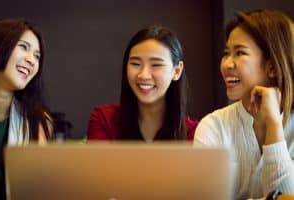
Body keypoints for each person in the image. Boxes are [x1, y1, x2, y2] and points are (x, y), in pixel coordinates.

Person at [194, 9, 294, 199]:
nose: (226, 64)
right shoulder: (214, 126)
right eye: (226, 53)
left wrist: (273, 123)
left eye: (240, 53)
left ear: (272, 66)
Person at [87, 26, 198, 141]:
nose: (144, 75)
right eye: (135, 64)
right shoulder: (104, 119)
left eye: (156, 65)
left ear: (177, 71)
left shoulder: (194, 132)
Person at [0, 18, 53, 199]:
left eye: (37, 56)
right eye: (24, 47)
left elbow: (38, 190)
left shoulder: (38, 122)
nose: (31, 60)